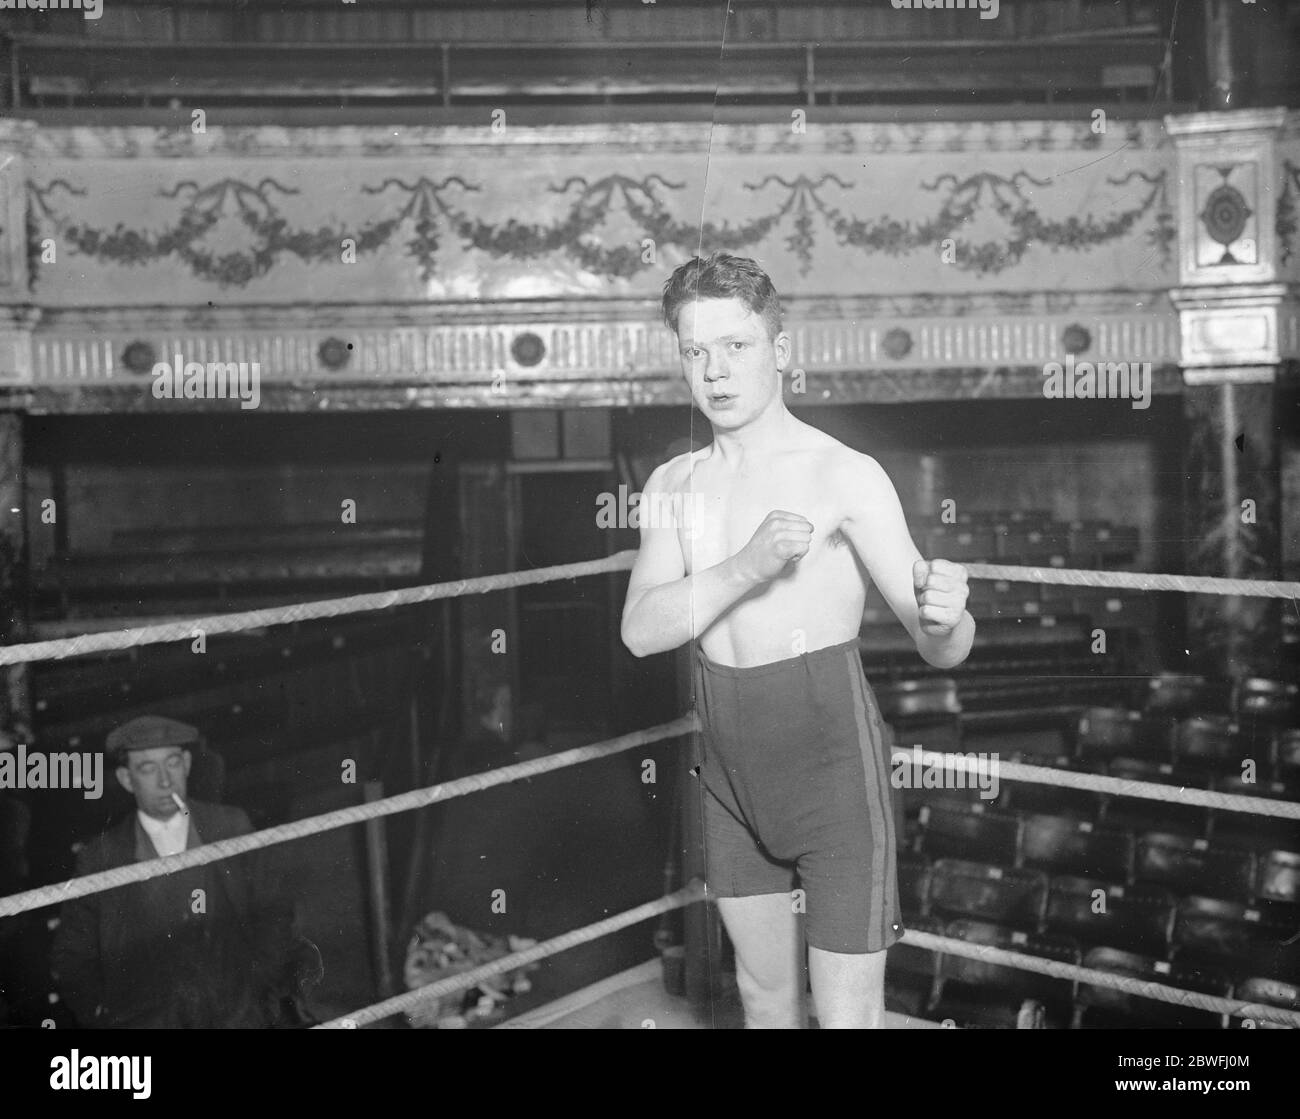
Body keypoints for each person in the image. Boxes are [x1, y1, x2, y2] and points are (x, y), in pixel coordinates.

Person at [620, 252, 975, 1029]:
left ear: (779, 350)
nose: (713, 371)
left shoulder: (844, 474)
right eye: (694, 351)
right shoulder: (672, 486)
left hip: (833, 777)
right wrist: (745, 566)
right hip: (728, 776)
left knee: (849, 1016)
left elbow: (939, 645)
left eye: (735, 346)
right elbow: (642, 631)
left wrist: (950, 615)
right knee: (763, 997)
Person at [51, 715, 308, 1028]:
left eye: (172, 763)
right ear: (126, 779)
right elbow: (73, 954)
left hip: (239, 1013)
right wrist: (105, 1017)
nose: (165, 781)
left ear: (186, 764)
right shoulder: (101, 857)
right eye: (147, 769)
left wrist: (260, 985)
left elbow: (274, 909)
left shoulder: (230, 825)